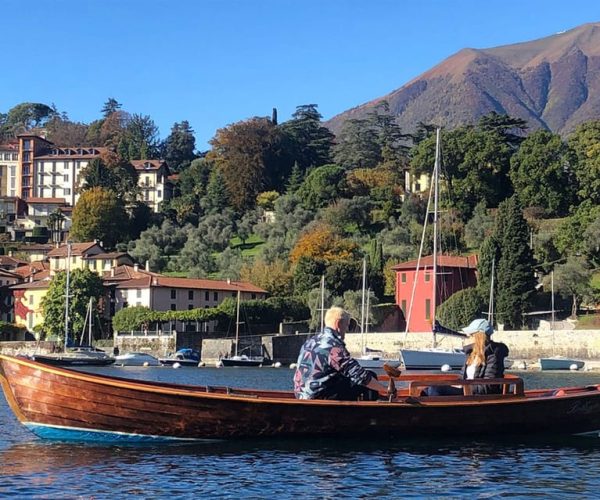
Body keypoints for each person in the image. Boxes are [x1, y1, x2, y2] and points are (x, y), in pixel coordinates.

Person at [294, 306, 393, 401]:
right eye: (346, 326)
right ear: (338, 324)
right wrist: (385, 389)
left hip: (301, 395)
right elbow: (359, 375)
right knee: (370, 376)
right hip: (319, 397)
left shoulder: (310, 342)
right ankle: (371, 415)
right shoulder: (333, 346)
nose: (346, 330)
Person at [426, 318, 509, 396]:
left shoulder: (493, 355)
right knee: (427, 389)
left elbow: (489, 386)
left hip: (475, 394)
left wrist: (466, 387)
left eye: (471, 335)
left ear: (478, 337)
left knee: (436, 390)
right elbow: (462, 377)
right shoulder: (471, 354)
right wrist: (457, 384)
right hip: (465, 389)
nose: (468, 337)